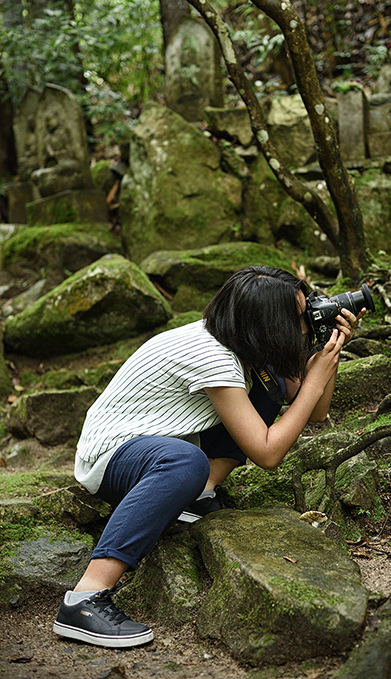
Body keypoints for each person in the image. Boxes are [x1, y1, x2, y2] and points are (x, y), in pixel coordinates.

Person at [52, 266, 365, 649]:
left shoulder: (241, 342)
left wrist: (326, 348)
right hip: (112, 455)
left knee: (269, 389)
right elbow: (268, 453)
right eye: (298, 317)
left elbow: (312, 408)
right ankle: (84, 599)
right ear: (267, 324)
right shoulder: (213, 357)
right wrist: (314, 379)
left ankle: (198, 495)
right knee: (186, 462)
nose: (305, 322)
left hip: (157, 441)